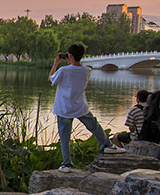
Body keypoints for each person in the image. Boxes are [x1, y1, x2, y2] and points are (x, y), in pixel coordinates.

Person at [49, 43, 125, 171]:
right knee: (94, 126)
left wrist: (56, 63)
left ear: (70, 55)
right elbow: (75, 72)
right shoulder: (87, 70)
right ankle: (107, 145)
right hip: (80, 106)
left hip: (64, 108)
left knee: (65, 137)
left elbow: (51, 79)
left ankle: (67, 163)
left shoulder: (63, 70)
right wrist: (71, 62)